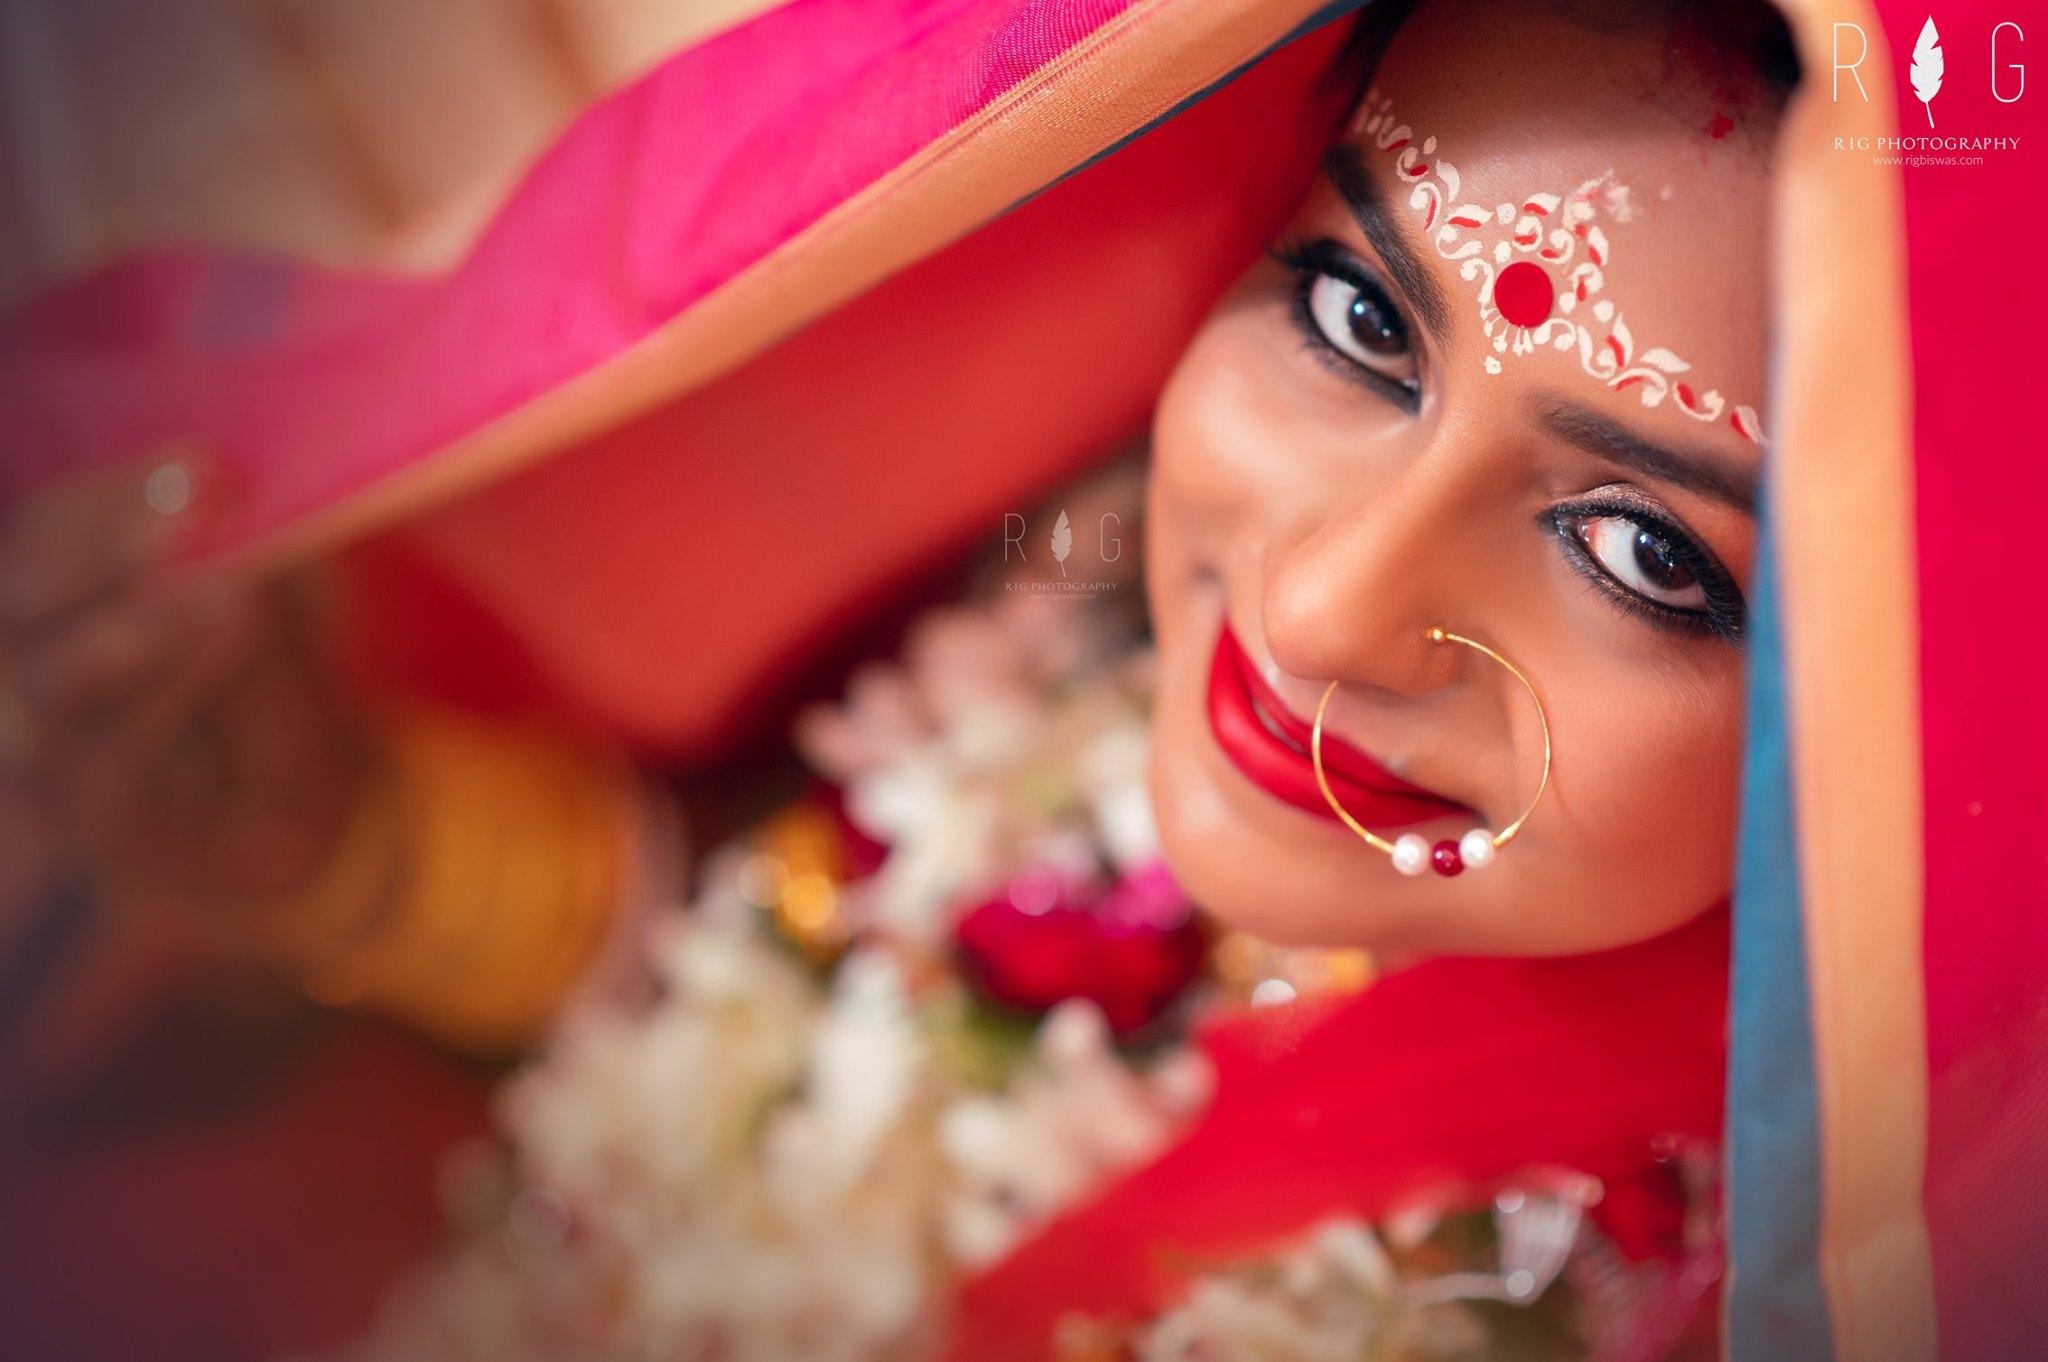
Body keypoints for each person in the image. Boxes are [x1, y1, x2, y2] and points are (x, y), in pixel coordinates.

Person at [0, 0, 2039, 1357]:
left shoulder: (1708, 1287)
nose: (1325, 606)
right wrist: (348, 849)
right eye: (1351, 314)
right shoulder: (1118, 673)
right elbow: (785, 998)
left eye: (1644, 552)